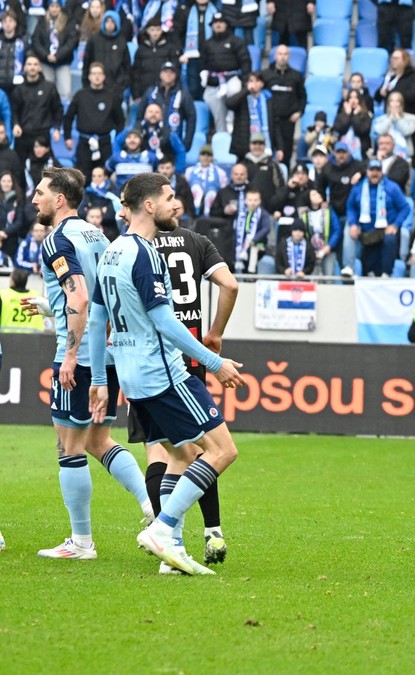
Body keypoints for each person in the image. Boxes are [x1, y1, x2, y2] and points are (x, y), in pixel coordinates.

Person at [87, 171, 245, 575]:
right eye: (170, 196)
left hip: (134, 376)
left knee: (178, 455)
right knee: (222, 450)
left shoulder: (112, 252)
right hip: (165, 373)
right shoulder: (144, 253)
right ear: (150, 205)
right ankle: (164, 528)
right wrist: (215, 362)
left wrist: (103, 381)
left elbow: (96, 319)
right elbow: (166, 324)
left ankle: (170, 550)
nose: (176, 203)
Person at [27, 167, 154, 560]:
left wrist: (67, 354)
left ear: (59, 199)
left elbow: (79, 299)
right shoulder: (96, 234)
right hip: (108, 352)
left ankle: (81, 543)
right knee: (99, 440)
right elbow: (94, 297)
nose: (34, 199)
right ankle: (152, 508)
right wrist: (51, 306)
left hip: (80, 356)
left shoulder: (57, 240)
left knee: (69, 447)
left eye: (40, 192)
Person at [138, 194, 239, 569]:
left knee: (162, 452)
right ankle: (208, 530)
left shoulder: (136, 247)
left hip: (149, 359)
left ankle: (165, 537)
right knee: (202, 450)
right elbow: (229, 286)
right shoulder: (197, 241)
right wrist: (214, 335)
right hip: (191, 356)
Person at [346, 159, 409, 277]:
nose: (375, 173)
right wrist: (353, 223)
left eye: (378, 170)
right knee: (369, 264)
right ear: (367, 171)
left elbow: (405, 208)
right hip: (367, 231)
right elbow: (351, 207)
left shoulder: (392, 187)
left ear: (382, 172)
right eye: (372, 170)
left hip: (386, 230)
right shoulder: (358, 188)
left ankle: (387, 274)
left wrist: (395, 225)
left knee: (389, 241)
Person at [62, 62, 124, 176]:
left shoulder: (112, 96)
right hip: (84, 144)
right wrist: (67, 137)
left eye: (100, 74)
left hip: (104, 143)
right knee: (81, 177)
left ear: (104, 77)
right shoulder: (80, 95)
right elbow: (68, 117)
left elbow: (120, 121)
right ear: (89, 76)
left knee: (105, 176)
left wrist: (117, 141)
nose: (97, 76)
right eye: (94, 73)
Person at [199, 12, 250, 135]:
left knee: (235, 90)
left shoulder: (236, 41)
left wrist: (245, 81)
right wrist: (204, 75)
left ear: (226, 25)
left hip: (231, 78)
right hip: (214, 81)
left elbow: (245, 61)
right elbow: (202, 64)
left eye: (221, 22)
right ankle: (221, 133)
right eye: (215, 23)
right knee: (210, 98)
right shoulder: (207, 44)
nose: (218, 25)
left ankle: (231, 122)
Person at [262, 44, 306, 166]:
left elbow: (302, 96)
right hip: (270, 120)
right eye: (280, 54)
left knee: (286, 152)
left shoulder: (296, 76)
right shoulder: (265, 75)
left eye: (285, 54)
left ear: (289, 56)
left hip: (288, 120)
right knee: (268, 150)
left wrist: (299, 112)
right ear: (275, 56)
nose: (282, 57)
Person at [11, 55, 61, 163]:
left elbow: (57, 109)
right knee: (19, 166)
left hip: (42, 134)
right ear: (24, 67)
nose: (32, 67)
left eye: (35, 64)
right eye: (29, 64)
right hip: (23, 135)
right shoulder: (18, 89)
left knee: (48, 169)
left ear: (40, 68)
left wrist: (57, 128)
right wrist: (15, 124)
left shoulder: (49, 87)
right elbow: (14, 110)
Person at [143, 61, 197, 153]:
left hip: (173, 145)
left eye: (171, 72)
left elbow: (191, 119)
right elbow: (139, 116)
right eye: (165, 72)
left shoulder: (183, 94)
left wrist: (186, 144)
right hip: (151, 143)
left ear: (176, 75)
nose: (168, 75)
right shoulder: (151, 93)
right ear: (160, 74)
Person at [30, 0, 77, 103]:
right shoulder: (42, 21)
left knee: (65, 92)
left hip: (63, 62)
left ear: (60, 7)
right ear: (49, 7)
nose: (54, 9)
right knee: (45, 94)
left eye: (57, 6)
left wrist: (58, 55)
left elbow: (72, 41)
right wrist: (46, 55)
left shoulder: (68, 21)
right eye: (52, 6)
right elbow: (36, 40)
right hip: (45, 62)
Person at [130, 16, 179, 105]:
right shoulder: (141, 49)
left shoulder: (170, 48)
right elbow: (135, 73)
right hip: (144, 91)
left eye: (158, 30)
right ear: (147, 31)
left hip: (165, 92)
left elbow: (175, 70)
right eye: (152, 30)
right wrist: (136, 94)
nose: (155, 33)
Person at [82, 10, 129, 96]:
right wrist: (86, 84)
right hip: (95, 85)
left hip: (116, 87)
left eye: (112, 21)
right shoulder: (94, 39)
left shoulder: (122, 41)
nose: (109, 24)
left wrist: (122, 84)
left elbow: (126, 66)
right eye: (107, 21)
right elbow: (86, 64)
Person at [299, 188, 341, 276]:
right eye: (314, 195)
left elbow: (337, 230)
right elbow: (302, 234)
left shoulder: (328, 211)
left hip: (328, 250)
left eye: (317, 193)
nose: (318, 195)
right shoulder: (304, 216)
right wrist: (310, 250)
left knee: (329, 277)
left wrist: (329, 246)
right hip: (311, 253)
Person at [374, 91, 415, 158]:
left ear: (401, 104)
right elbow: (381, 131)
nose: (394, 104)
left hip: (405, 154)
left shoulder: (410, 119)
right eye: (392, 101)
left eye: (397, 101)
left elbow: (405, 132)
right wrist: (390, 118)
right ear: (388, 104)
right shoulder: (381, 119)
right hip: (385, 153)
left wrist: (398, 118)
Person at [184, 145, 227, 218]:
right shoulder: (189, 171)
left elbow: (223, 192)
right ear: (199, 156)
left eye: (209, 155)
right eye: (203, 154)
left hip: (212, 210)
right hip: (192, 209)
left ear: (212, 157)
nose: (206, 157)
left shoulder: (220, 173)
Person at [0, 267, 40, 332]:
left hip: (7, 338)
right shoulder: (36, 295)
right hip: (34, 339)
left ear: (12, 280)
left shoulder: (3, 295)